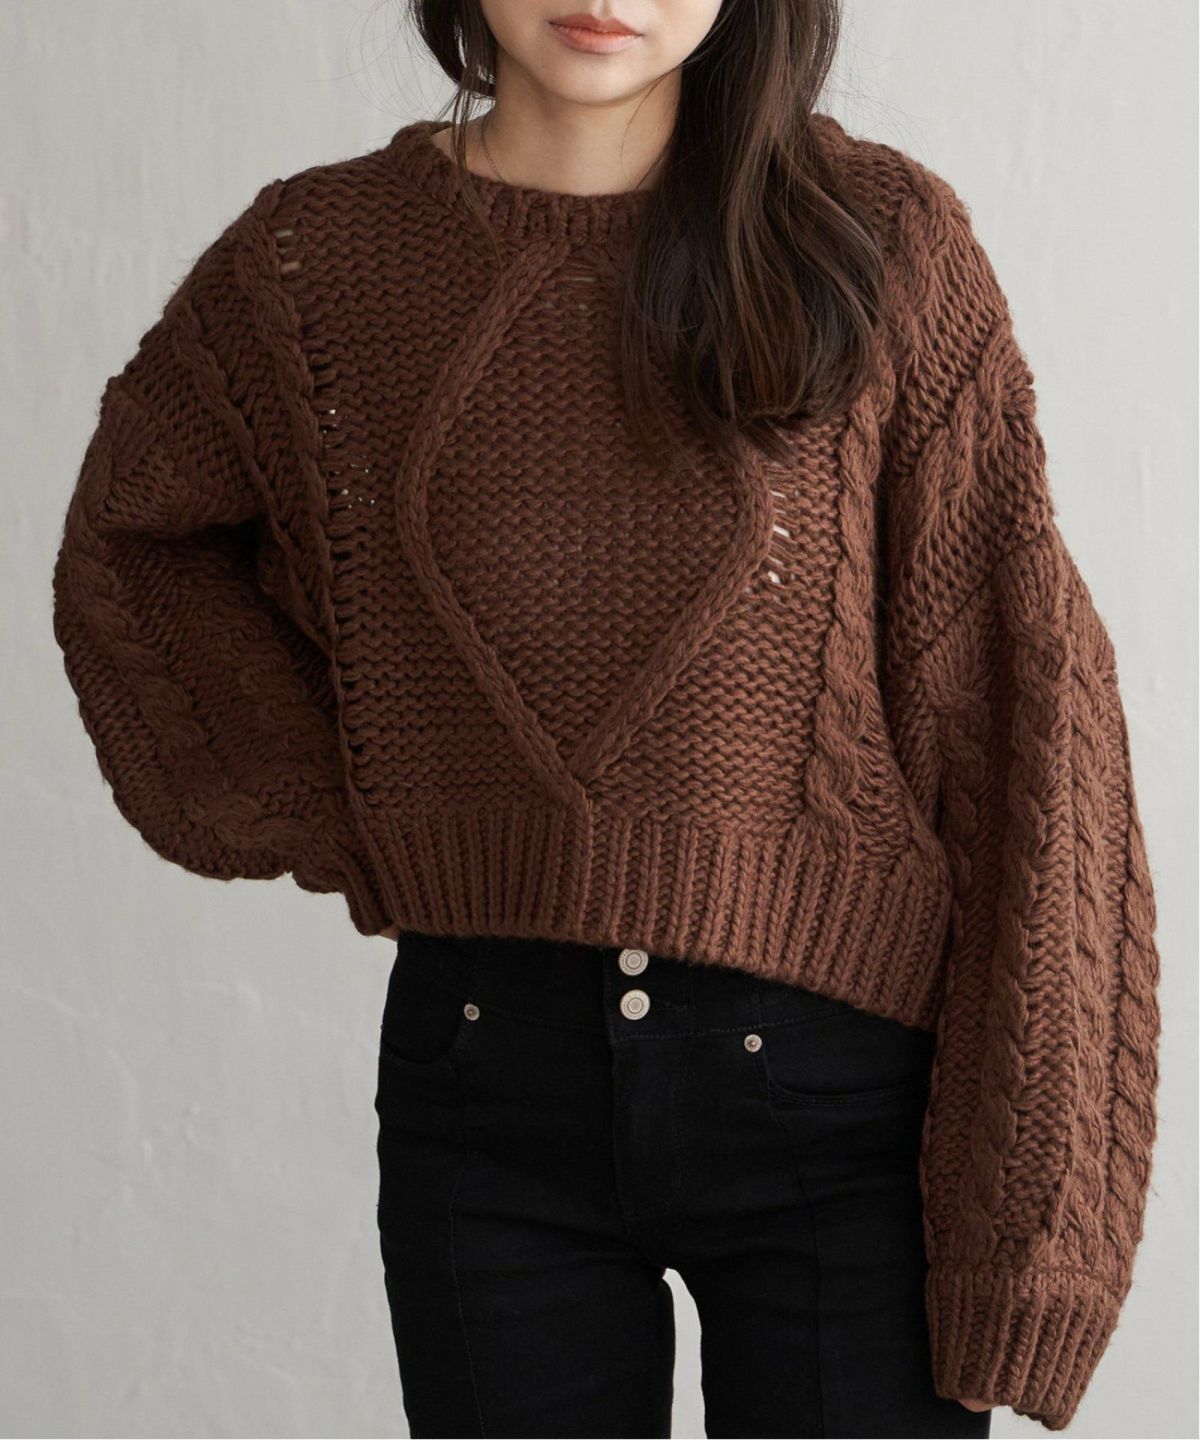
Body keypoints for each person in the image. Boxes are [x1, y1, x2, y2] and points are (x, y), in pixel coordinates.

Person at [50, 1, 1161, 1436]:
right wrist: (363, 810)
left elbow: (1028, 723)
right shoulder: (314, 266)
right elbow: (137, 542)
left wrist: (1041, 1235)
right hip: (488, 1080)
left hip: (839, 1100)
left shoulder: (880, 241)